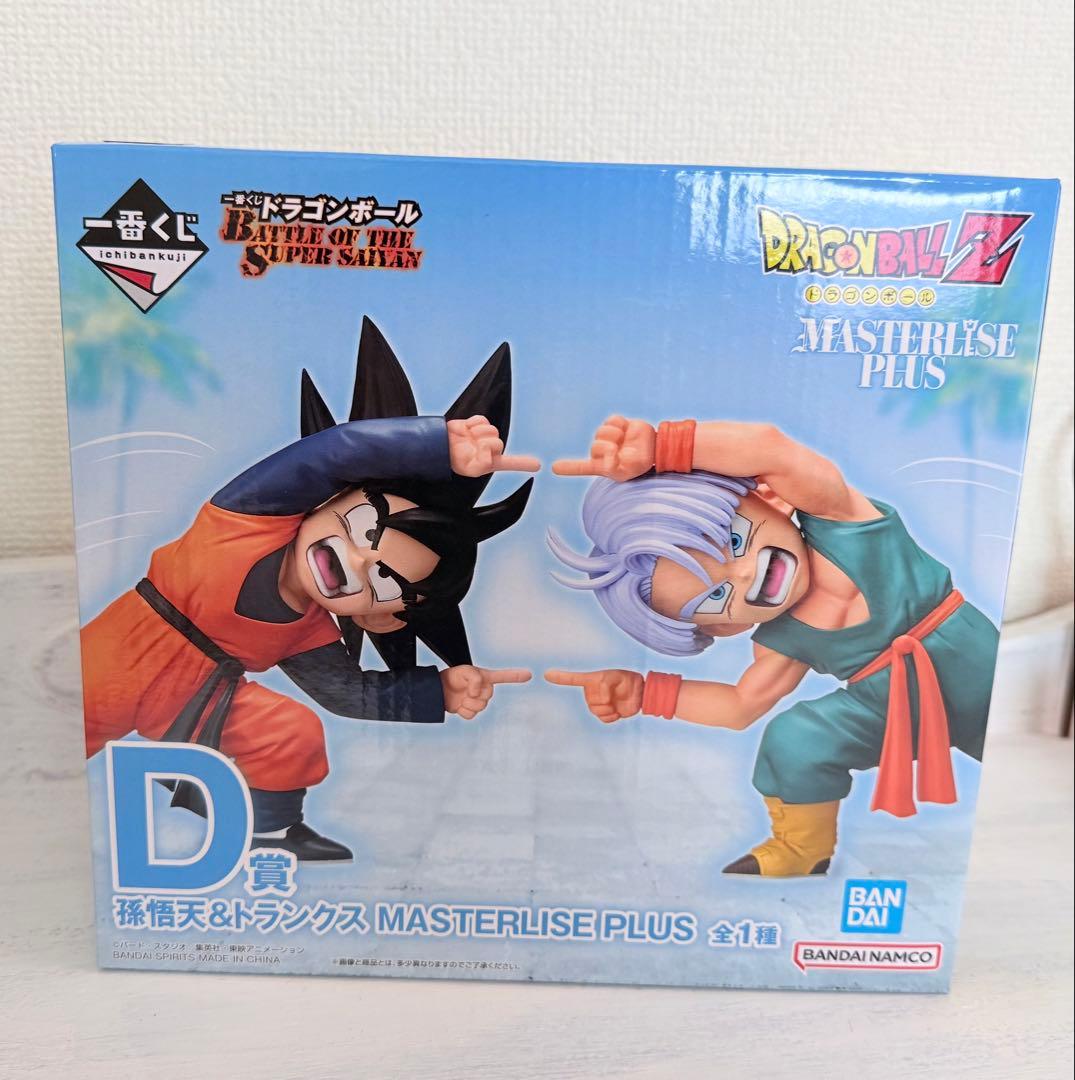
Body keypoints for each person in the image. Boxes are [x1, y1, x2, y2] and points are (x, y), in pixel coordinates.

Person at [83, 317, 538, 861]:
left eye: (383, 581)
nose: (360, 559)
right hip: (115, 658)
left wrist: (437, 691)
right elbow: (329, 453)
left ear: (380, 617)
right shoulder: (244, 519)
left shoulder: (306, 632)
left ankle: (270, 831)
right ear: (329, 499)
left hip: (198, 698)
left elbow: (347, 694)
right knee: (61, 726)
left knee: (292, 730)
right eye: (365, 526)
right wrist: (435, 445)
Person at [547, 416, 998, 877]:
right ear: (724, 627)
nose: (744, 574)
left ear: (769, 498)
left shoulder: (843, 520)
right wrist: (647, 694)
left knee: (1011, 757)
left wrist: (663, 447)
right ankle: (804, 848)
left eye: (734, 541)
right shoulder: (783, 640)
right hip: (892, 707)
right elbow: (739, 705)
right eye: (716, 596)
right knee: (795, 739)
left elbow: (771, 450)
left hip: (977, 661)